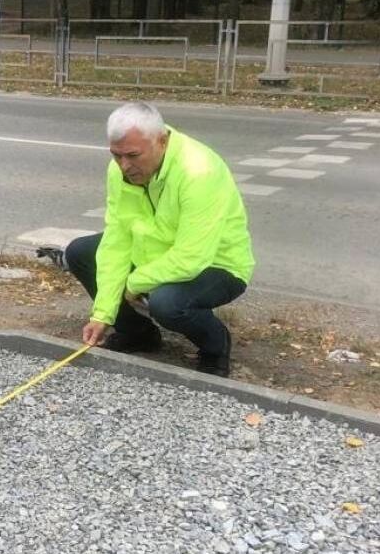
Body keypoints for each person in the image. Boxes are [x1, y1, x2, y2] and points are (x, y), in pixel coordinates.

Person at [61, 101, 254, 377]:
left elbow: (191, 257)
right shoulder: (119, 171)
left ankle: (215, 345)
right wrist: (103, 313)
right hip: (157, 253)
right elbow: (117, 238)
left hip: (217, 264)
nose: (124, 166)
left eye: (132, 155)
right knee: (81, 252)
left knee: (167, 303)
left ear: (161, 141)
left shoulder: (198, 172)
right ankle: (139, 334)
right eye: (116, 155)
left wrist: (132, 284)